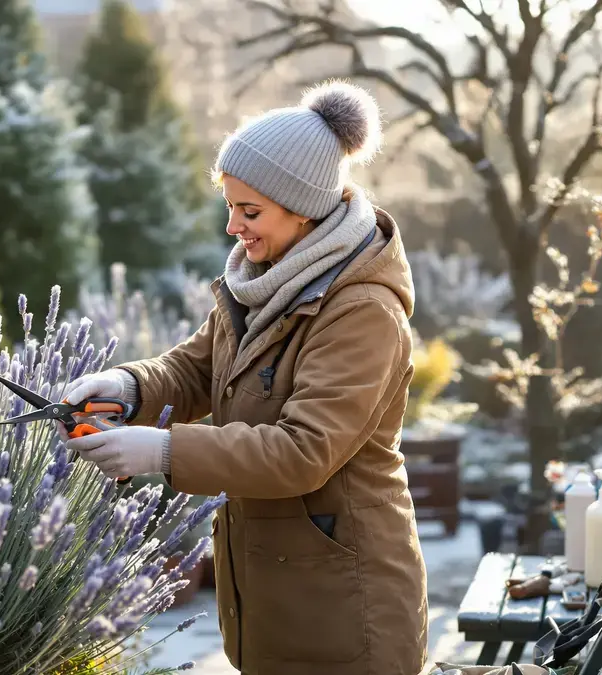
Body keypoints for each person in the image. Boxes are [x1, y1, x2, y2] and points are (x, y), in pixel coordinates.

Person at [61, 81, 428, 675]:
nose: (233, 226)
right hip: (276, 596)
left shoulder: (362, 310)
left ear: (303, 207)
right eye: (230, 206)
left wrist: (162, 451)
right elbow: (197, 368)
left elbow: (303, 451)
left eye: (250, 211)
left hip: (345, 608)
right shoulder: (263, 280)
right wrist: (129, 386)